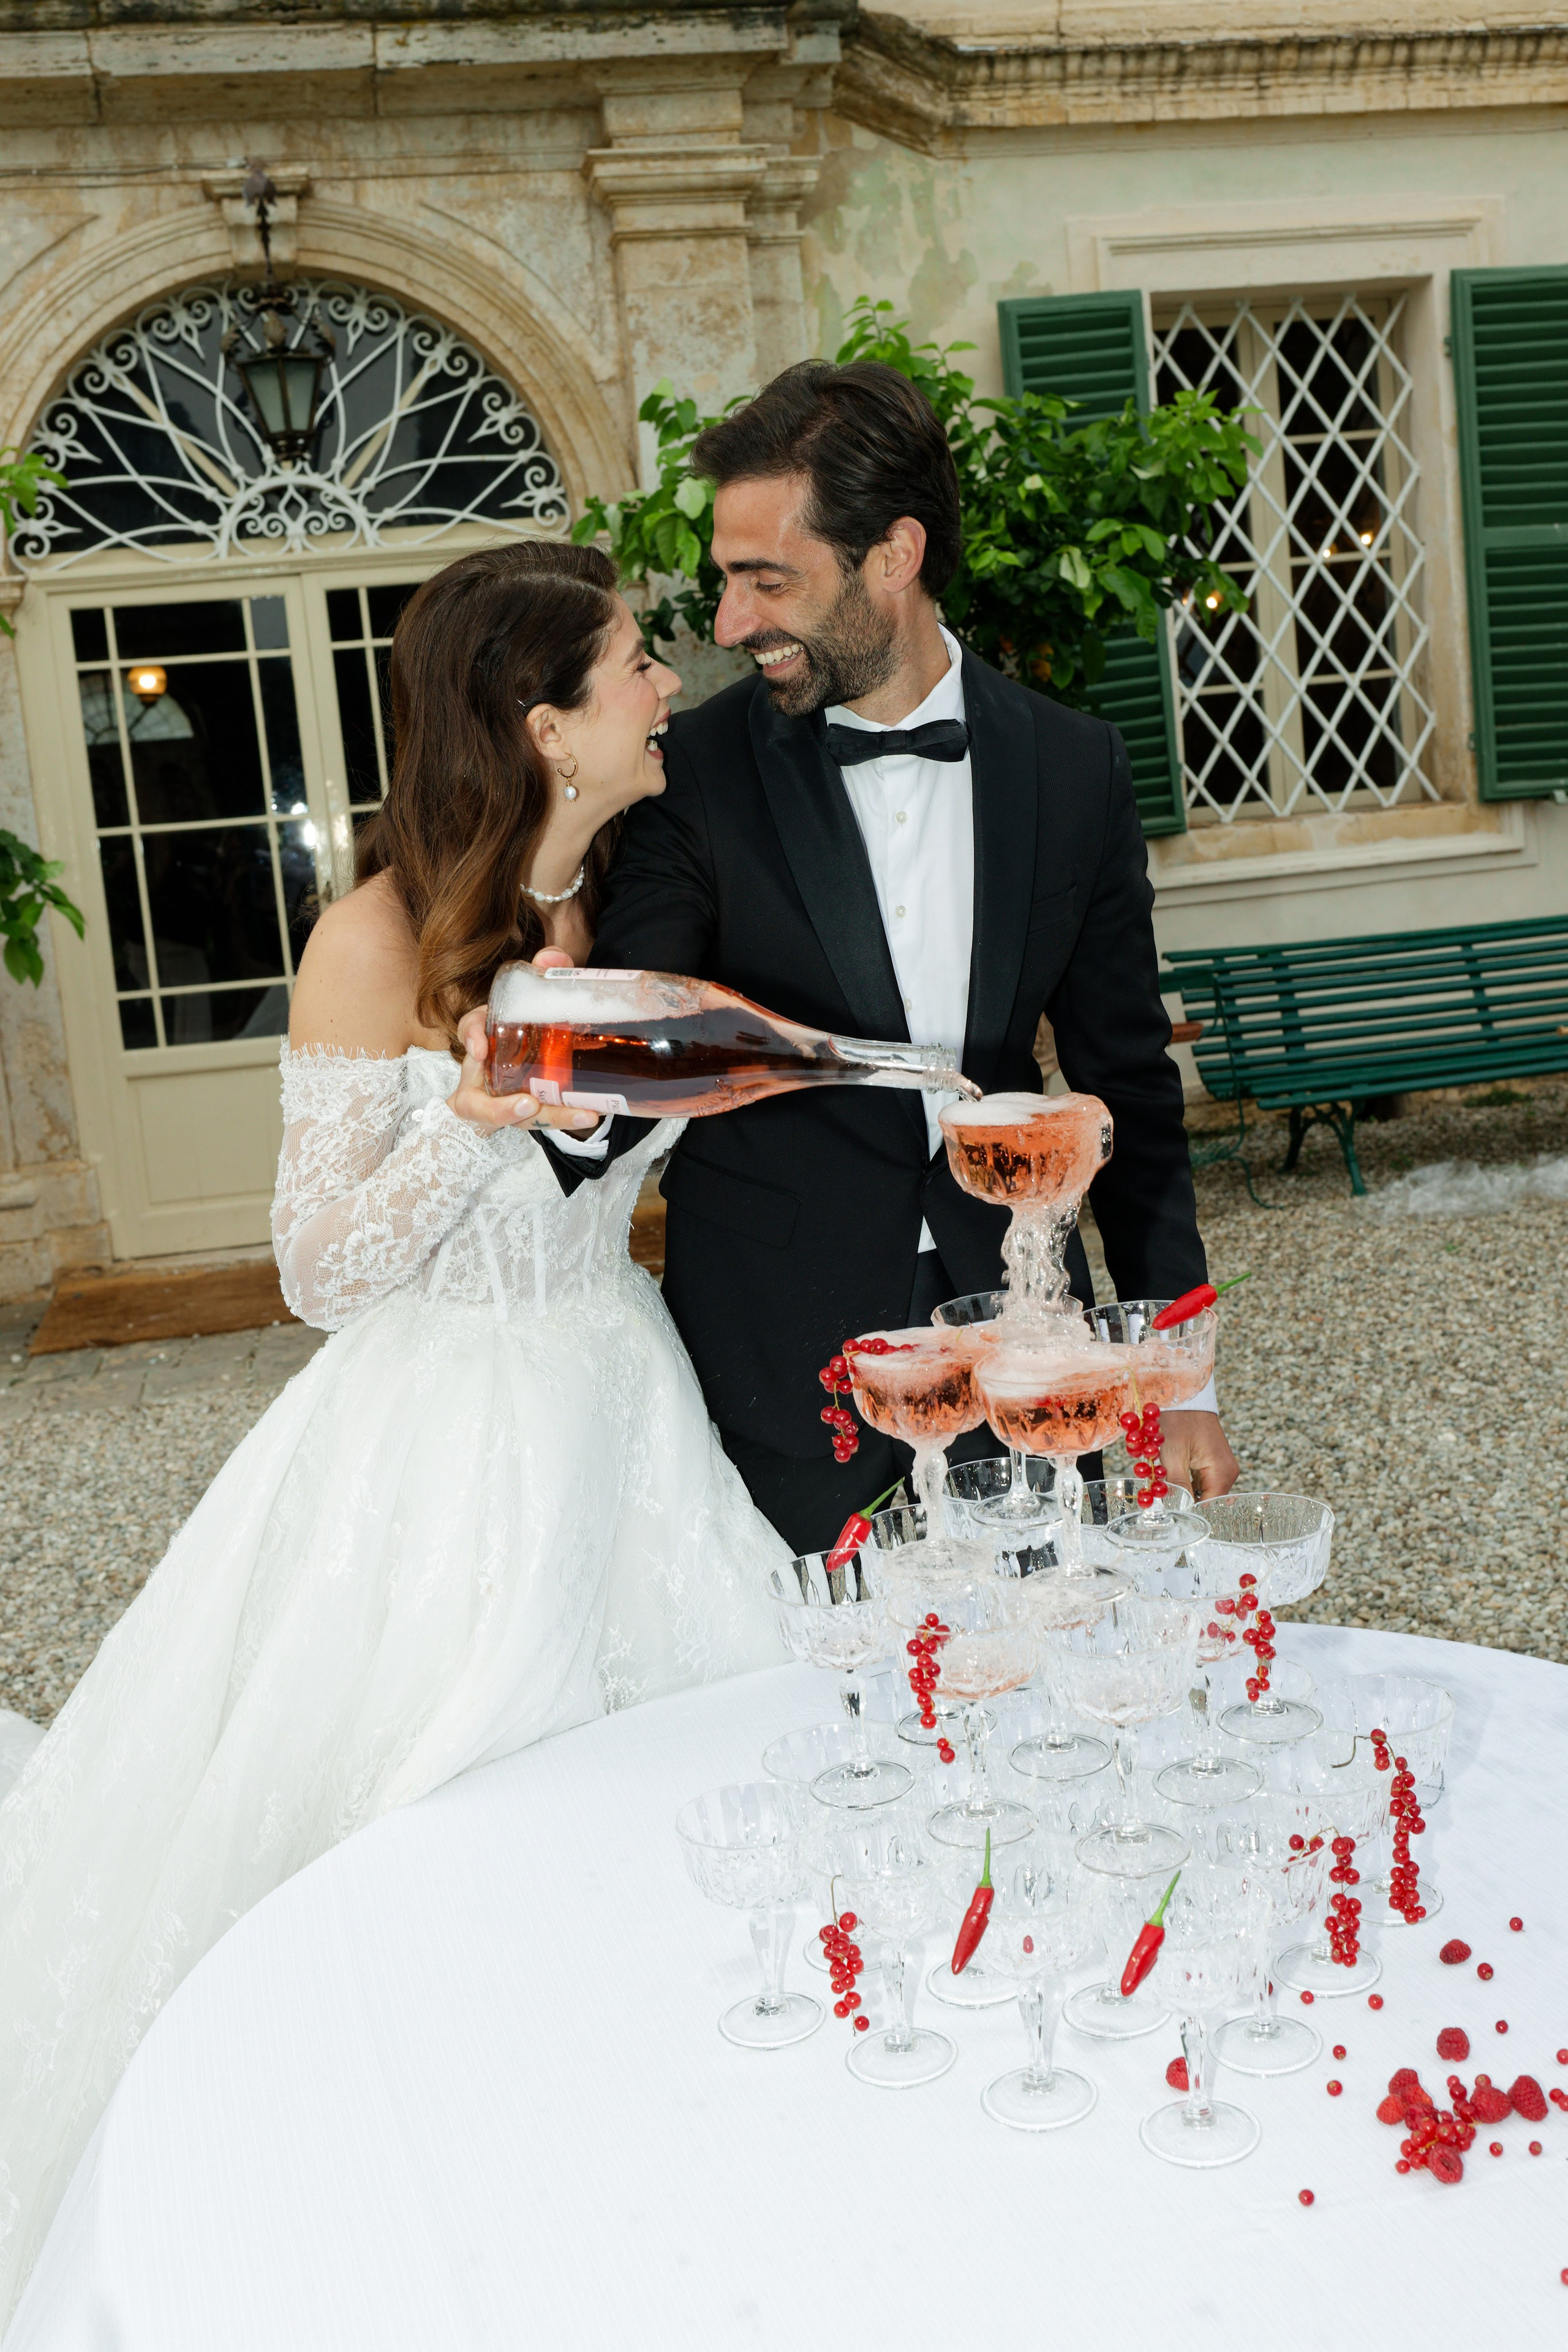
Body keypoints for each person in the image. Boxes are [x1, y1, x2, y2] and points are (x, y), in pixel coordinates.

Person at [0, 541, 784, 2318]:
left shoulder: (608, 910)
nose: (668, 685)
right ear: (545, 727)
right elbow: (315, 1269)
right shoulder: (369, 936)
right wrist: (471, 1110)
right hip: (449, 1443)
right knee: (433, 1814)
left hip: (624, 1399)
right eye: (631, 668)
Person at [542, 360, 1240, 1553]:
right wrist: (548, 1050)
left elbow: (1127, 1088)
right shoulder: (695, 778)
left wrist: (1178, 1377)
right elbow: (617, 1057)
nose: (727, 624)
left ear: (894, 556)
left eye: (767, 582)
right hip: (772, 1362)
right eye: (726, 583)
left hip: (1023, 1343)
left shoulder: (1072, 770)